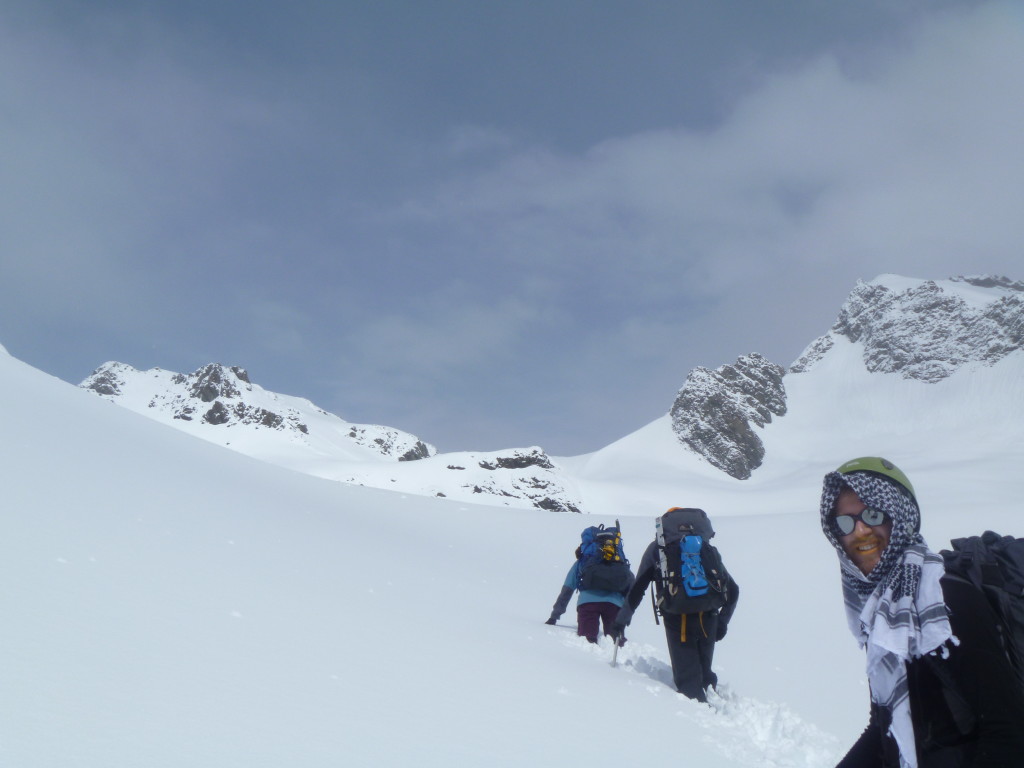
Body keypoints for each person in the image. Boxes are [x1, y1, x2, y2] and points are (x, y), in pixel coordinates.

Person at [820, 456, 1024, 767]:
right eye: (845, 522)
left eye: (873, 515)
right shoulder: (881, 612)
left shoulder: (946, 598)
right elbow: (882, 726)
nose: (860, 531)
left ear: (901, 516)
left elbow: (1005, 731)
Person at [613, 507, 738, 702]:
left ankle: (698, 719)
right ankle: (712, 699)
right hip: (709, 614)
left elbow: (638, 588)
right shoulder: (706, 548)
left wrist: (621, 620)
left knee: (687, 676)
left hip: (677, 616)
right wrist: (723, 621)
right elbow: (734, 590)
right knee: (705, 669)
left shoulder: (658, 549)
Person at [546, 537, 635, 645]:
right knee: (615, 641)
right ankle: (619, 654)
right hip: (614, 605)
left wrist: (554, 616)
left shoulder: (583, 561)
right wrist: (627, 615)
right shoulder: (619, 561)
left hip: (587, 603)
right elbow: (632, 589)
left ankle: (588, 657)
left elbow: (567, 590)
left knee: (587, 641)